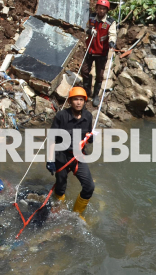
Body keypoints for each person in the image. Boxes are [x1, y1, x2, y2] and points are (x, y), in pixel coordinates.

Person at [46, 87, 95, 219]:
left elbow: (87, 135)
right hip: (61, 156)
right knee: (60, 186)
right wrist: (50, 160)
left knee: (89, 186)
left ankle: (77, 214)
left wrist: (90, 139)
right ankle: (58, 206)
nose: (78, 102)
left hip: (78, 156)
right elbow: (51, 139)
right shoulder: (61, 116)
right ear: (69, 101)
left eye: (81, 100)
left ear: (84, 101)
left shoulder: (88, 116)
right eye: (75, 100)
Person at [81, 0, 116, 106]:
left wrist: (111, 42)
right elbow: (84, 27)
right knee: (84, 71)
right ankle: (87, 90)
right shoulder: (91, 18)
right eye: (100, 8)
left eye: (103, 9)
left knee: (99, 75)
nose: (101, 11)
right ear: (96, 8)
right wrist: (89, 31)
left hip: (101, 52)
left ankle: (96, 95)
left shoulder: (110, 22)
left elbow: (113, 34)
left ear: (107, 11)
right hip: (90, 49)